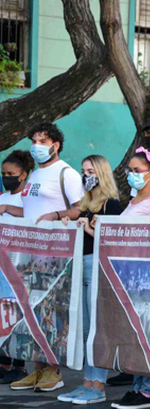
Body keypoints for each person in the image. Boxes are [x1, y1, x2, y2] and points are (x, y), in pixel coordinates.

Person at [11, 122, 83, 393]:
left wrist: (56, 216)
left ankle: (53, 369)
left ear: (56, 144)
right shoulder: (34, 176)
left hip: (53, 254)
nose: (37, 145)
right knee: (32, 312)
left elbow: (78, 209)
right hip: (28, 255)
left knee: (51, 312)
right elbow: (30, 210)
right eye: (34, 140)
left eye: (43, 141)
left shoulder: (66, 174)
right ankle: (37, 368)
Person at [110, 149, 150, 409]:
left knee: (147, 334)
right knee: (134, 333)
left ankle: (147, 390)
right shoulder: (133, 202)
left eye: (137, 170)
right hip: (129, 278)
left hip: (149, 280)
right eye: (130, 170)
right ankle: (137, 385)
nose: (131, 175)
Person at [56, 155, 122, 405]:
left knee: (97, 328)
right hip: (83, 265)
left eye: (91, 171)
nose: (86, 175)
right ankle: (87, 382)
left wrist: (87, 229)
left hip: (97, 265)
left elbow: (112, 243)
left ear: (102, 173)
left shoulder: (111, 204)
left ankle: (98, 384)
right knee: (85, 329)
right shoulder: (87, 202)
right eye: (83, 171)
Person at [0, 150, 34, 385]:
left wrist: (9, 210)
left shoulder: (28, 197)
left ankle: (19, 365)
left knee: (17, 314)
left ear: (23, 175)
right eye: (3, 174)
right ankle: (3, 362)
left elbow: (35, 216)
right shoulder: (2, 196)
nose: (6, 177)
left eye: (11, 174)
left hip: (20, 264)